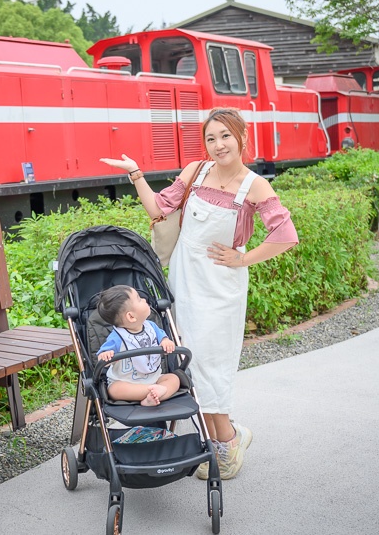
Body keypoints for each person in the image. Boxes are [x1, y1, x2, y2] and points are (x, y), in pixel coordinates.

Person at [100, 107, 298, 479]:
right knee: (188, 361)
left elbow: (285, 235)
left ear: (242, 137)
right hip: (184, 279)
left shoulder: (254, 185)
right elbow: (159, 207)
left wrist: (243, 259)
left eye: (226, 136)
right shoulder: (196, 171)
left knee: (209, 364)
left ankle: (226, 443)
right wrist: (135, 172)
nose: (219, 145)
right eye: (211, 138)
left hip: (221, 288)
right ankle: (227, 435)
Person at [96, 285, 180, 407]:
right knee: (115, 390)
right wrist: (106, 356)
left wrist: (166, 342)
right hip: (126, 382)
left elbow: (163, 338)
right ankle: (156, 392)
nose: (145, 300)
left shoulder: (151, 327)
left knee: (174, 379)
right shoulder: (118, 338)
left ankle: (156, 393)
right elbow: (101, 359)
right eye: (139, 299)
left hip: (154, 377)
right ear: (131, 316)